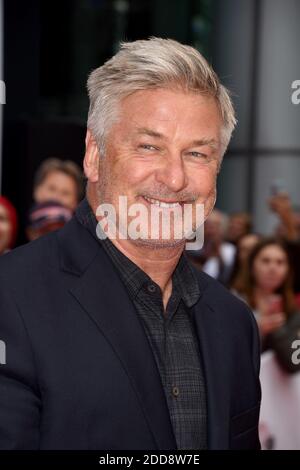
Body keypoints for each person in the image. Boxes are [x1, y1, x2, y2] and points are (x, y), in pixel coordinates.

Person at [0, 38, 261, 450]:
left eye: (196, 153)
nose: (174, 178)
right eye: (149, 146)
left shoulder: (233, 323)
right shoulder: (10, 299)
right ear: (93, 154)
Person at [232, 237, 300, 373]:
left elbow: (295, 362)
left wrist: (277, 330)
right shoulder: (233, 302)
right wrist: (257, 332)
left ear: (287, 270)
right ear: (252, 266)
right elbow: (222, 351)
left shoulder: (291, 308)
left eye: (280, 262)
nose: (273, 268)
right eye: (265, 261)